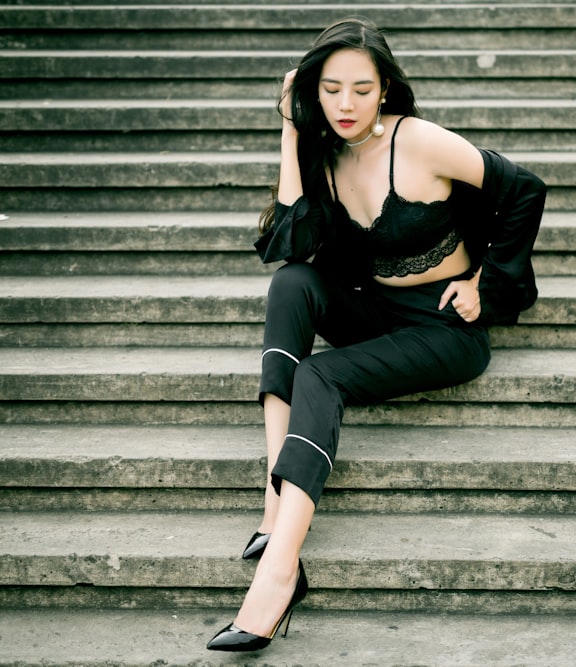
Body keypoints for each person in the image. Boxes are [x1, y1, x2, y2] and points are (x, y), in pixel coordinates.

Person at [206, 16, 546, 652]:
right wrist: (289, 130)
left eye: (361, 89)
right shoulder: (323, 147)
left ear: (385, 89)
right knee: (291, 283)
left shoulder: (416, 142)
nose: (345, 104)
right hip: (373, 309)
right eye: (330, 88)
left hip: (444, 326)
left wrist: (484, 284)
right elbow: (292, 244)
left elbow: (524, 188)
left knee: (320, 373)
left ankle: (279, 572)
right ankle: (272, 499)